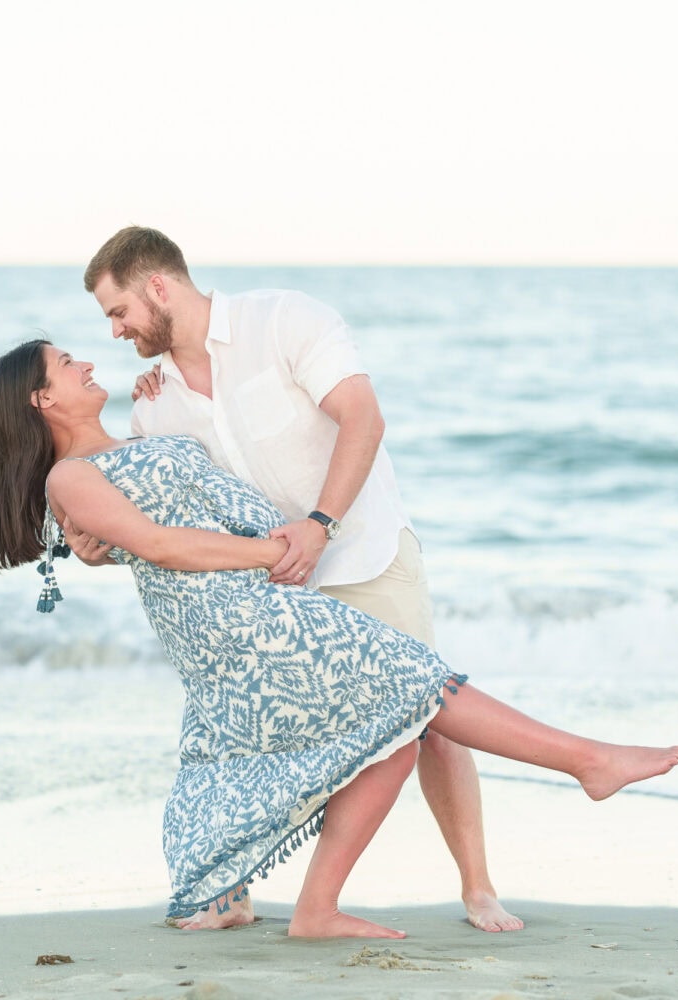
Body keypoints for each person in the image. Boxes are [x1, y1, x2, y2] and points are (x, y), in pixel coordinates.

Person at [0, 339, 678, 940]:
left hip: (258, 609)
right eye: (67, 362)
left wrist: (162, 410)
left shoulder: (127, 438)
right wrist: (279, 550)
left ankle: (316, 907)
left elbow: (157, 508)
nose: (87, 359)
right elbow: (159, 543)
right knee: (416, 689)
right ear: (42, 399)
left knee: (398, 726)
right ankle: (588, 761)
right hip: (247, 624)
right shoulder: (69, 479)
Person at [74, 226, 521, 932]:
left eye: (118, 310)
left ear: (158, 286)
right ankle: (238, 895)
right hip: (273, 591)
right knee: (264, 742)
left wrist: (320, 524)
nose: (117, 329)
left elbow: (362, 418)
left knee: (430, 715)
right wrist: (98, 547)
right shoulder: (152, 406)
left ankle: (478, 887)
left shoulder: (284, 319)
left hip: (362, 551)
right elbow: (159, 516)